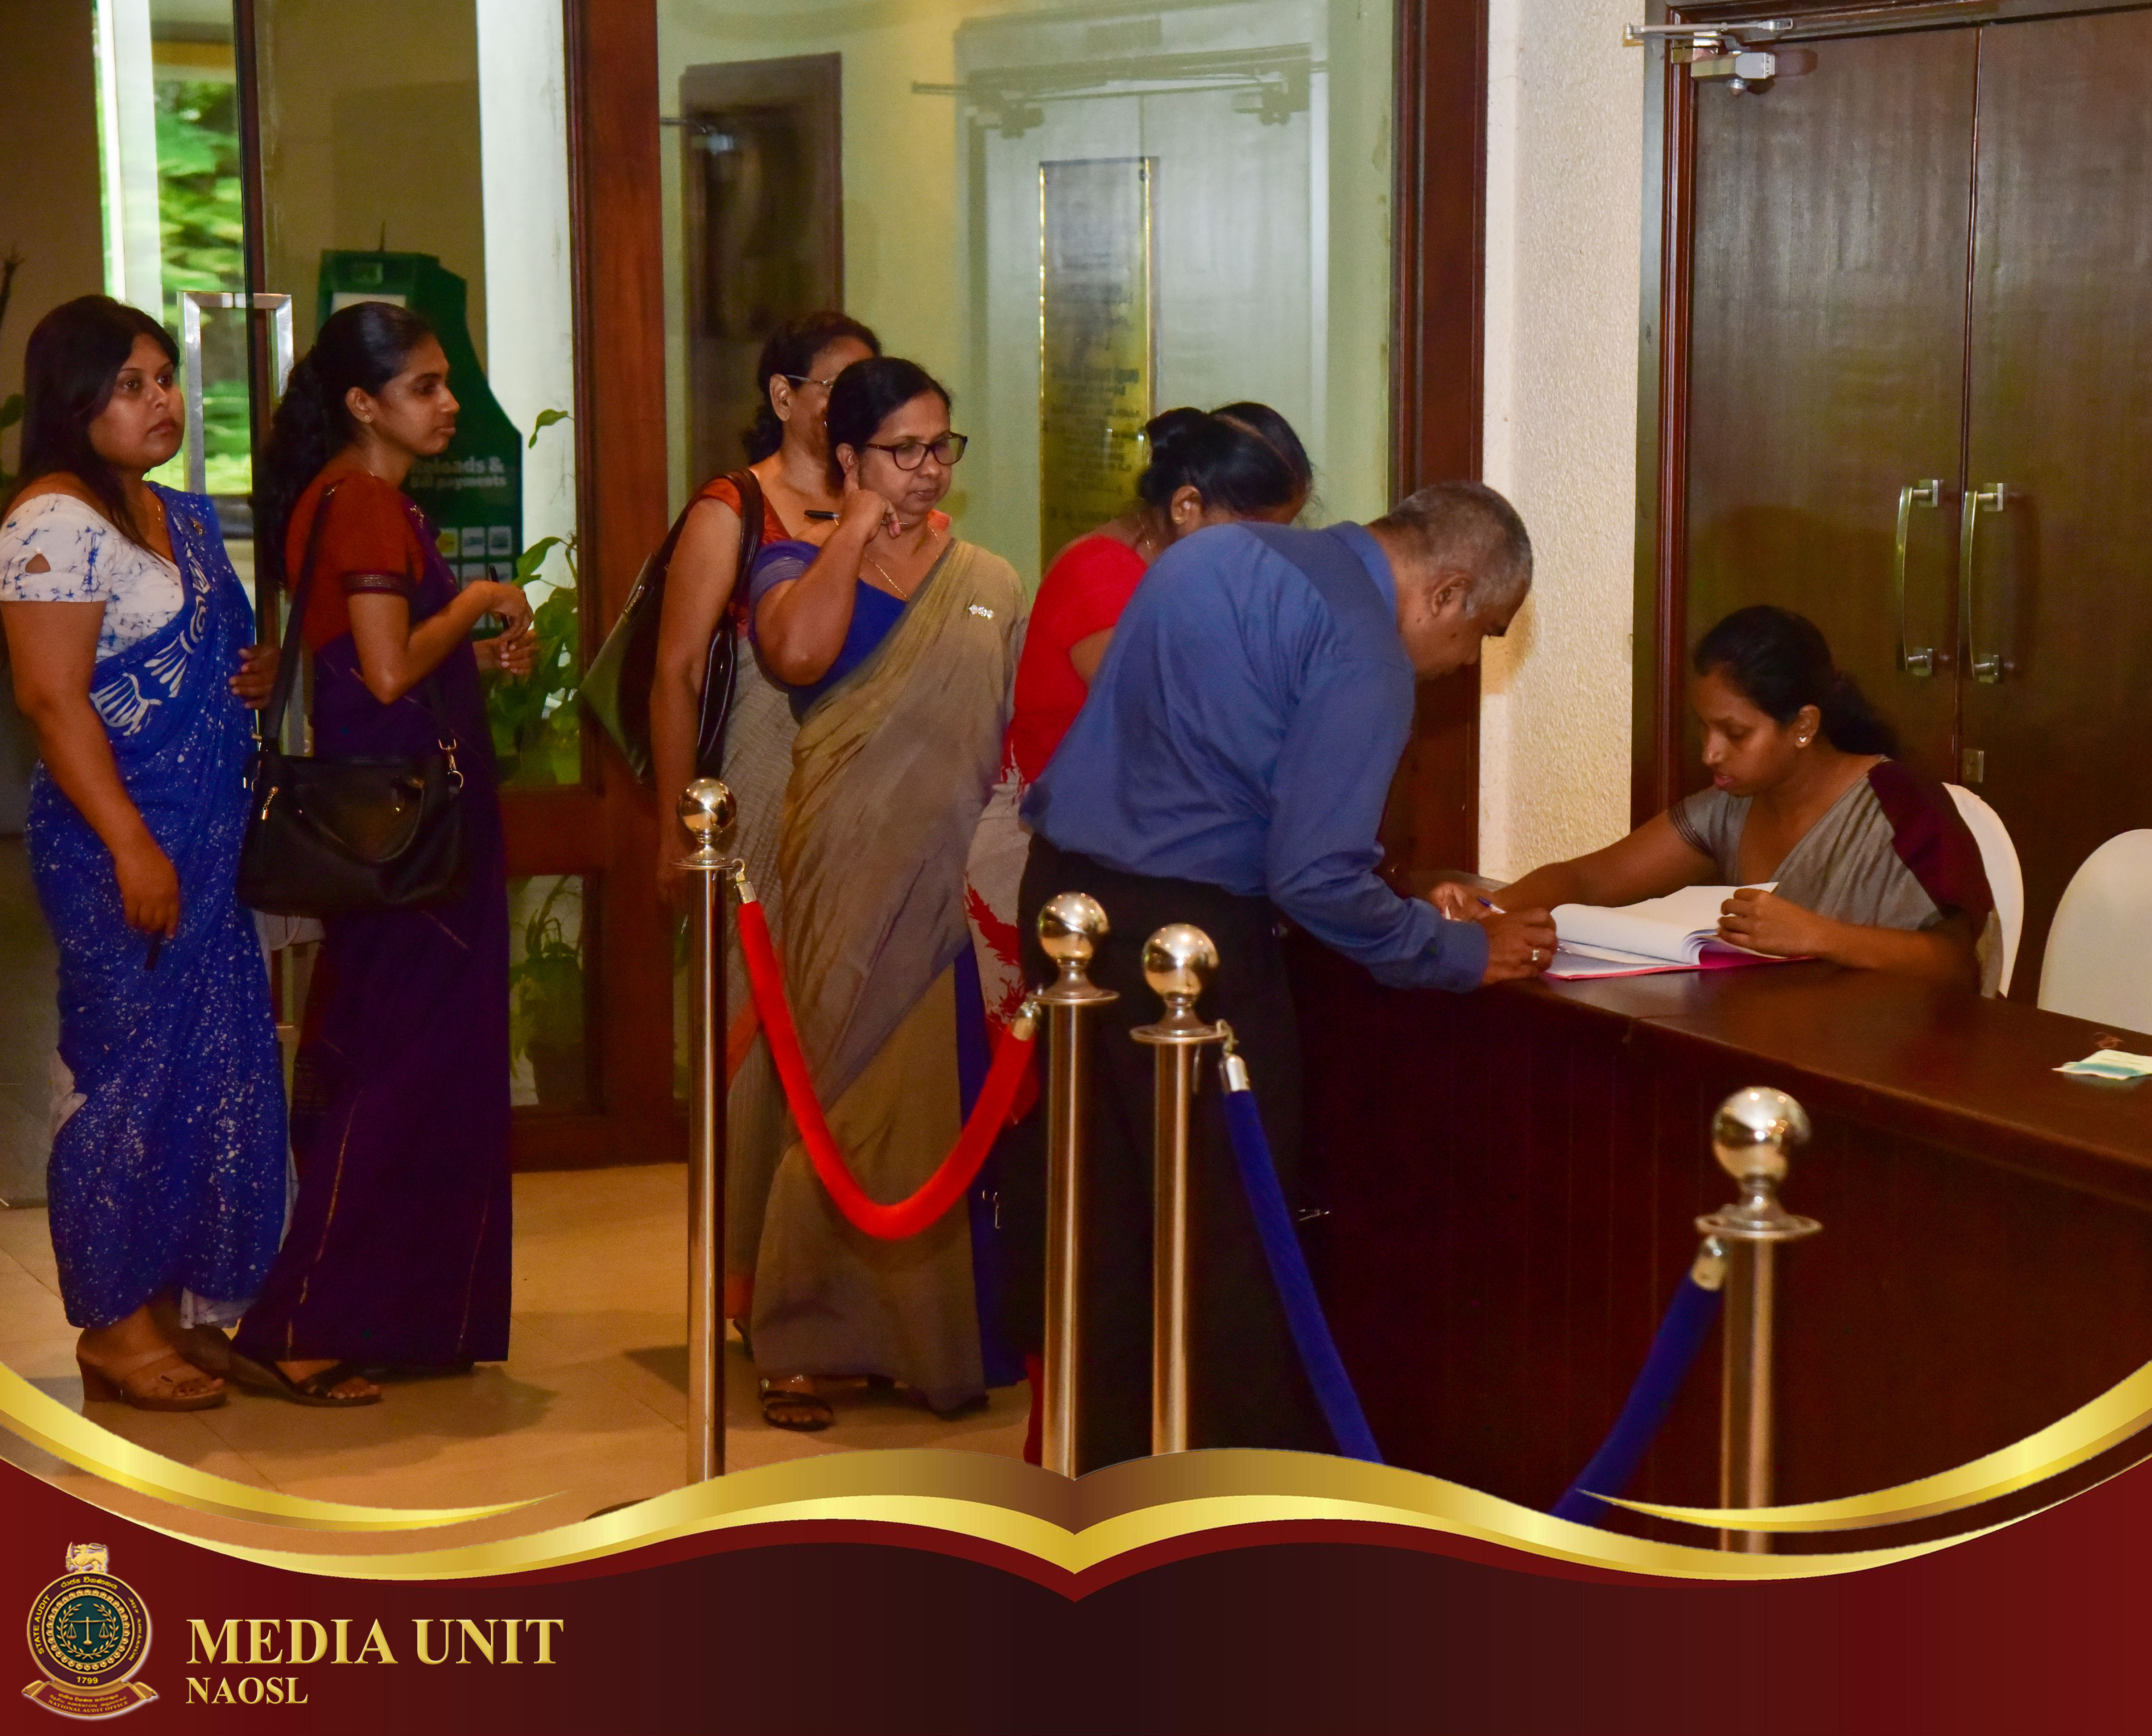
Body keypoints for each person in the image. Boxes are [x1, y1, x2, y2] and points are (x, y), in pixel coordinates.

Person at [1017, 480, 1557, 1469]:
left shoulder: (1215, 552)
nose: (1463, 659)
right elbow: (1310, 876)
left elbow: (1205, 763)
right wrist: (1458, 950)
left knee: (1102, 1217)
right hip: (1186, 946)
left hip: (1062, 904)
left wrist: (1394, 899)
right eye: (1480, 631)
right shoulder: (1363, 652)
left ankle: (1099, 1474)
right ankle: (1237, 1499)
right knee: (1232, 1230)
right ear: (1445, 592)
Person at [233, 301, 537, 1405]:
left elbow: (374, 665)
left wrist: (473, 651)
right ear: (363, 403)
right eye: (424, 386)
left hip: (402, 826)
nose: (448, 403)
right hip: (411, 837)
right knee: (403, 1076)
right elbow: (391, 668)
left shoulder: (346, 497)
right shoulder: (361, 502)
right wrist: (481, 601)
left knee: (401, 1064)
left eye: (445, 381)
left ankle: (395, 1314)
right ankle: (302, 1321)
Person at [0, 295, 285, 1410]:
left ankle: (170, 1307)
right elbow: (52, 698)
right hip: (118, 845)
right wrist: (131, 844)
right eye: (131, 384)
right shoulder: (51, 521)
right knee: (123, 1078)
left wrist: (252, 670)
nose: (161, 400)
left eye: (165, 377)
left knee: (205, 1073)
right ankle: (113, 1327)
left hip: (206, 842)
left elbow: (207, 645)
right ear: (75, 402)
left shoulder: (171, 512)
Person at [743, 356, 1025, 1427]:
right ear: (849, 456)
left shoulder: (989, 578)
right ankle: (803, 1339)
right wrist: (854, 529)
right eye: (901, 450)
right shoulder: (791, 561)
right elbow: (795, 653)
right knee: (836, 1092)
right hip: (842, 867)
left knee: (928, 1107)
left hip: (950, 881)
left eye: (939, 446)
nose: (927, 468)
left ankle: (924, 1342)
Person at [649, 311, 879, 1408]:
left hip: (865, 816)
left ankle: (846, 1301)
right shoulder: (731, 509)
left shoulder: (893, 508)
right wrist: (676, 830)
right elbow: (677, 672)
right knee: (755, 1057)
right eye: (833, 385)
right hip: (755, 807)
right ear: (784, 396)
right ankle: (756, 1291)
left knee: (849, 1047)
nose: (850, 406)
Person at [1455, 605, 1996, 991]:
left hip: (1885, 1061)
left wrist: (1818, 935)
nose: (1710, 753)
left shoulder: (1898, 803)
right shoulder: (1729, 806)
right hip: (1773, 1042)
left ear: (1803, 726)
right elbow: (1590, 878)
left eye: (1735, 734)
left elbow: (1956, 964)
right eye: (1704, 728)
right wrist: (1487, 911)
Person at [1008, 402, 1312, 785]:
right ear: (1187, 506)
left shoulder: (1198, 570)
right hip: (1059, 806)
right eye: (1255, 536)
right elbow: (1171, 721)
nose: (1266, 555)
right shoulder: (1097, 574)